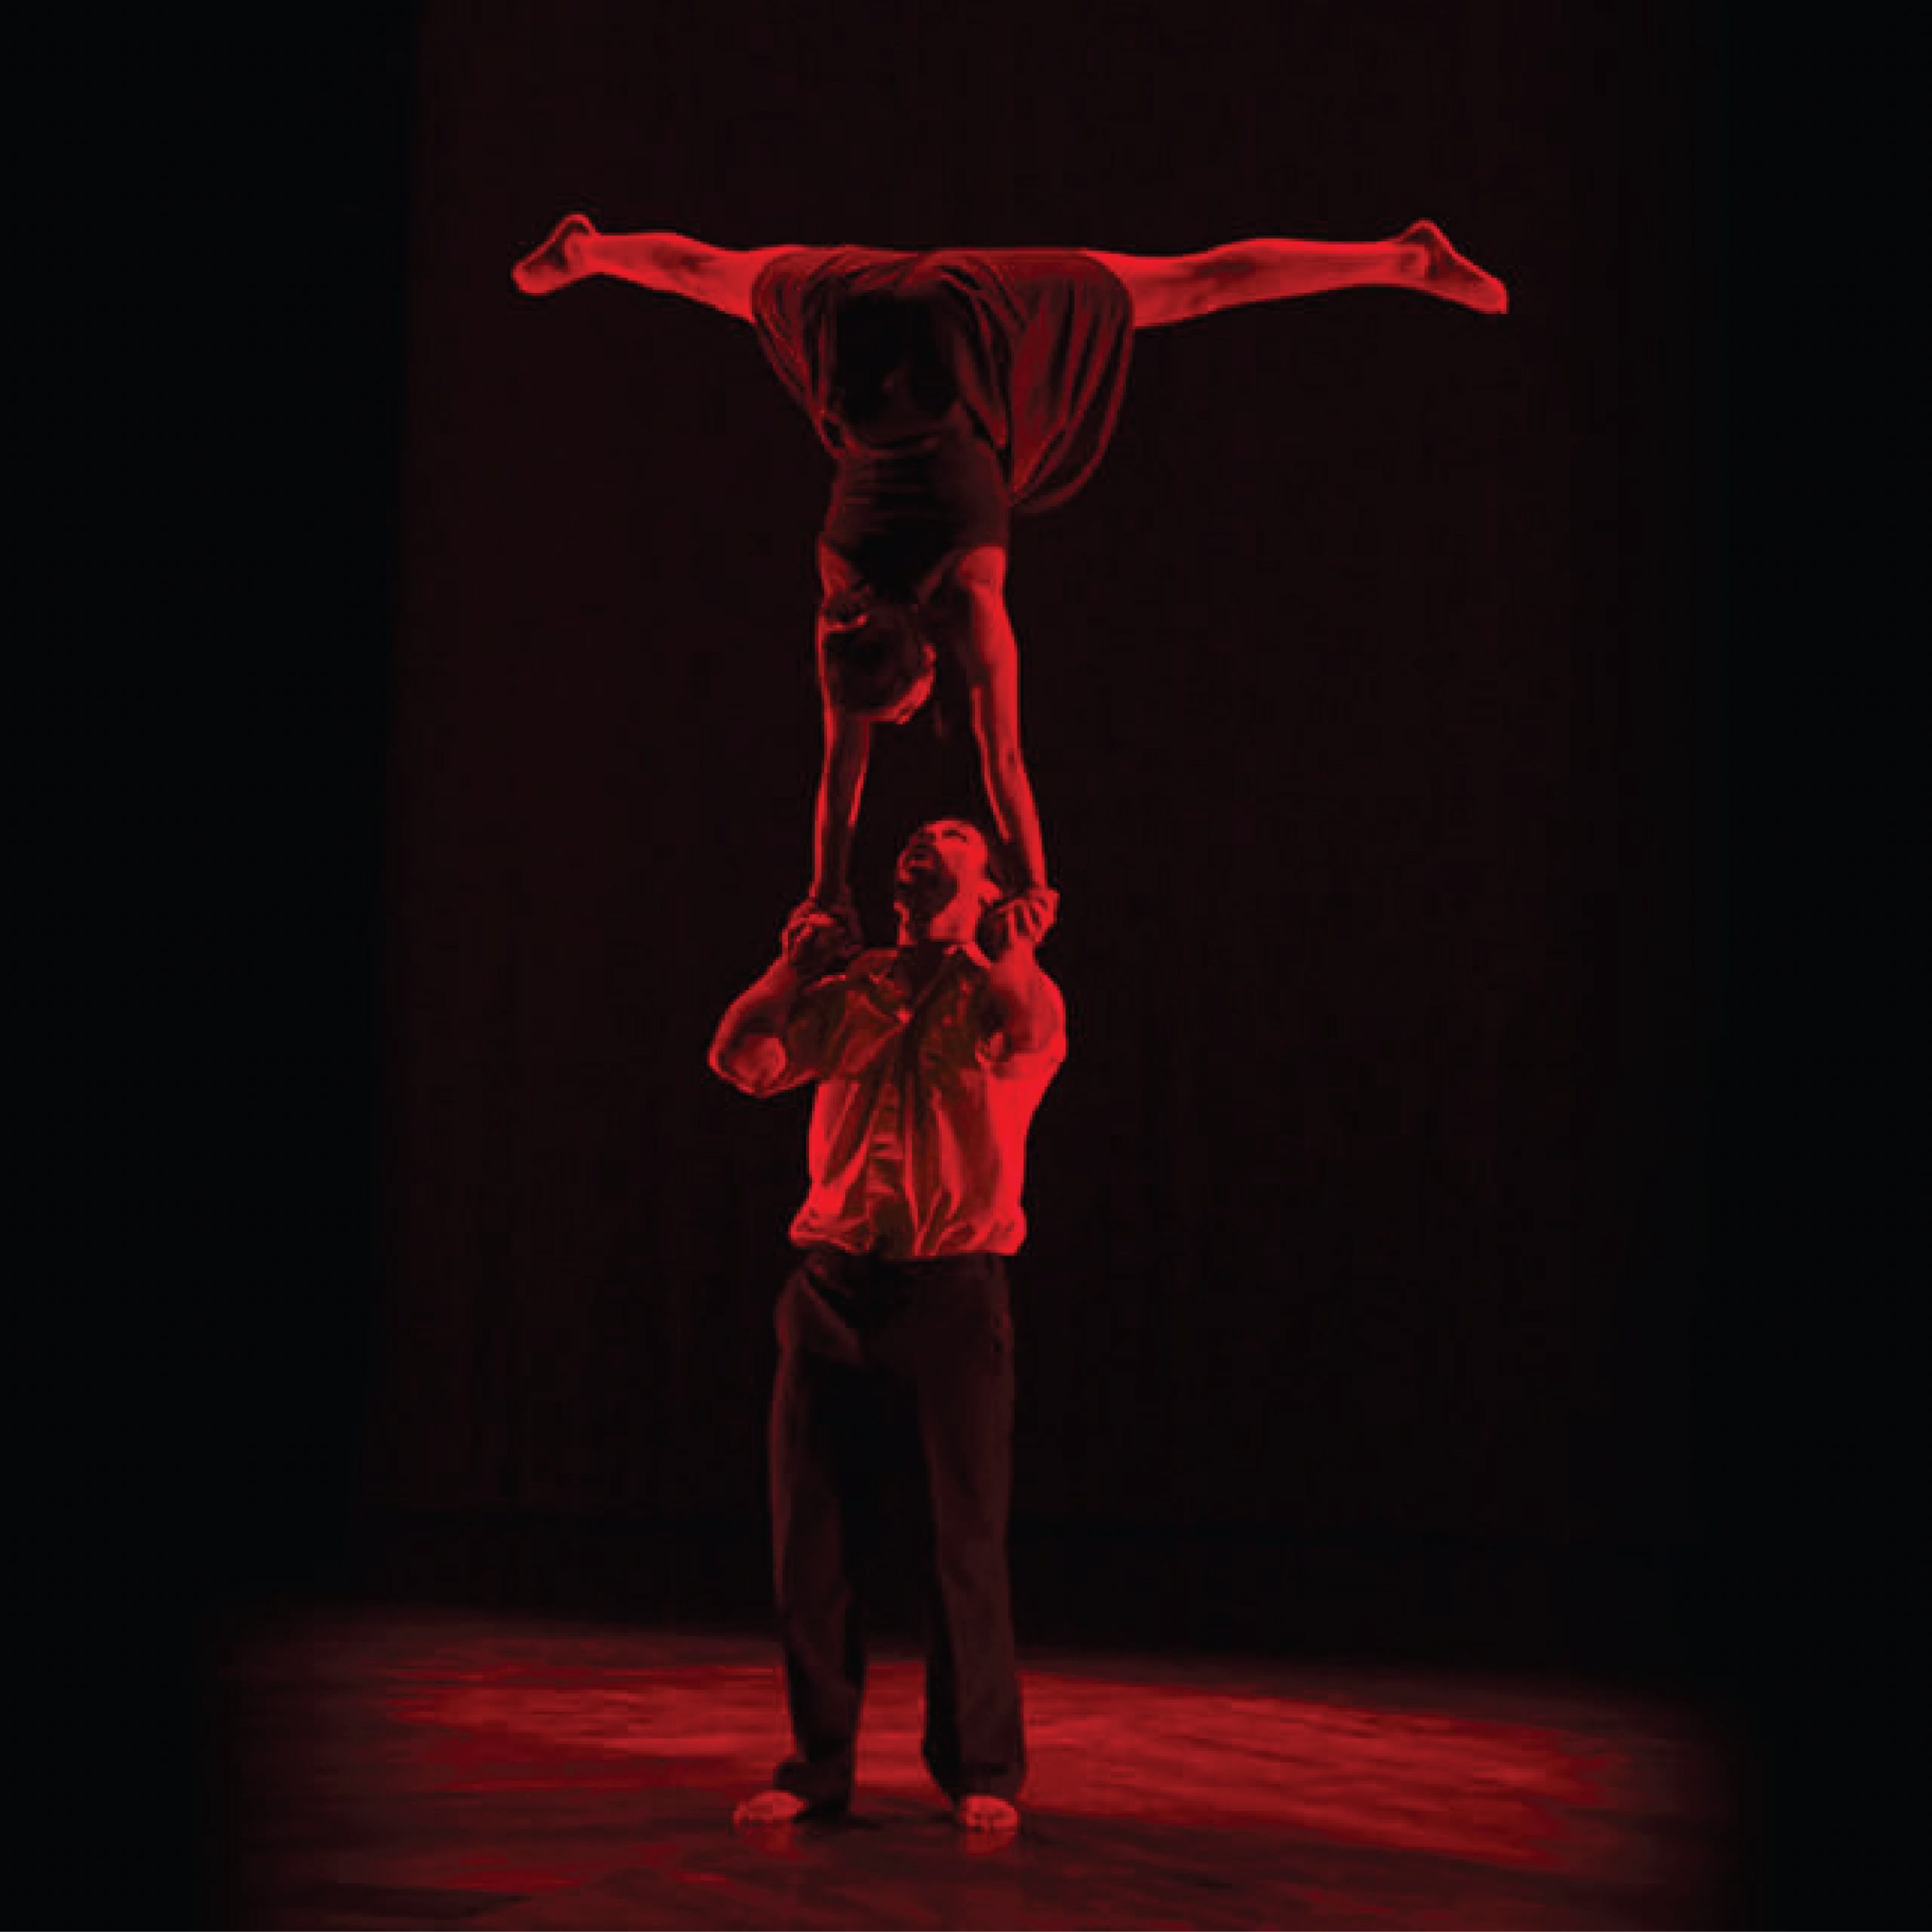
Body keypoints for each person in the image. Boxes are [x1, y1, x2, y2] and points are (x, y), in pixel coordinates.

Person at [512, 217, 1508, 943]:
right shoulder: (842, 603)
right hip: (859, 317)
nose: (910, 715)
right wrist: (826, 890)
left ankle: (1406, 260)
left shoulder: (970, 595)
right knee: (707, 274)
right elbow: (841, 774)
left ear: (927, 663)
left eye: (906, 708)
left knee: (1191, 287)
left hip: (971, 327)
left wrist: (1036, 882)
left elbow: (1004, 762)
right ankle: (588, 251)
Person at [708, 819, 1064, 1834]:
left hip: (952, 1296)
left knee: (963, 1542)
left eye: (955, 831)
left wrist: (1016, 952)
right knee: (811, 1543)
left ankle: (980, 1765)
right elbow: (740, 1059)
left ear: (988, 886)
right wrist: (791, 968)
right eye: (920, 831)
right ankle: (817, 1766)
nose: (928, 836)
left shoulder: (1011, 989)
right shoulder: (853, 990)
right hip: (833, 1292)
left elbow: (1026, 1036)